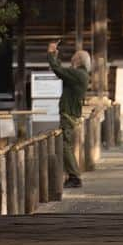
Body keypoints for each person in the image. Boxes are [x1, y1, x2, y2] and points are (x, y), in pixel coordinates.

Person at [47, 37, 89, 189]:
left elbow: (59, 71)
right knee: (66, 145)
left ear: (78, 60)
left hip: (68, 116)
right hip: (70, 115)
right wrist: (55, 57)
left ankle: (74, 176)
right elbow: (62, 72)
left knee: (65, 145)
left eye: (74, 56)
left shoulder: (78, 75)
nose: (71, 58)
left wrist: (51, 54)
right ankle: (72, 174)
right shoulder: (79, 75)